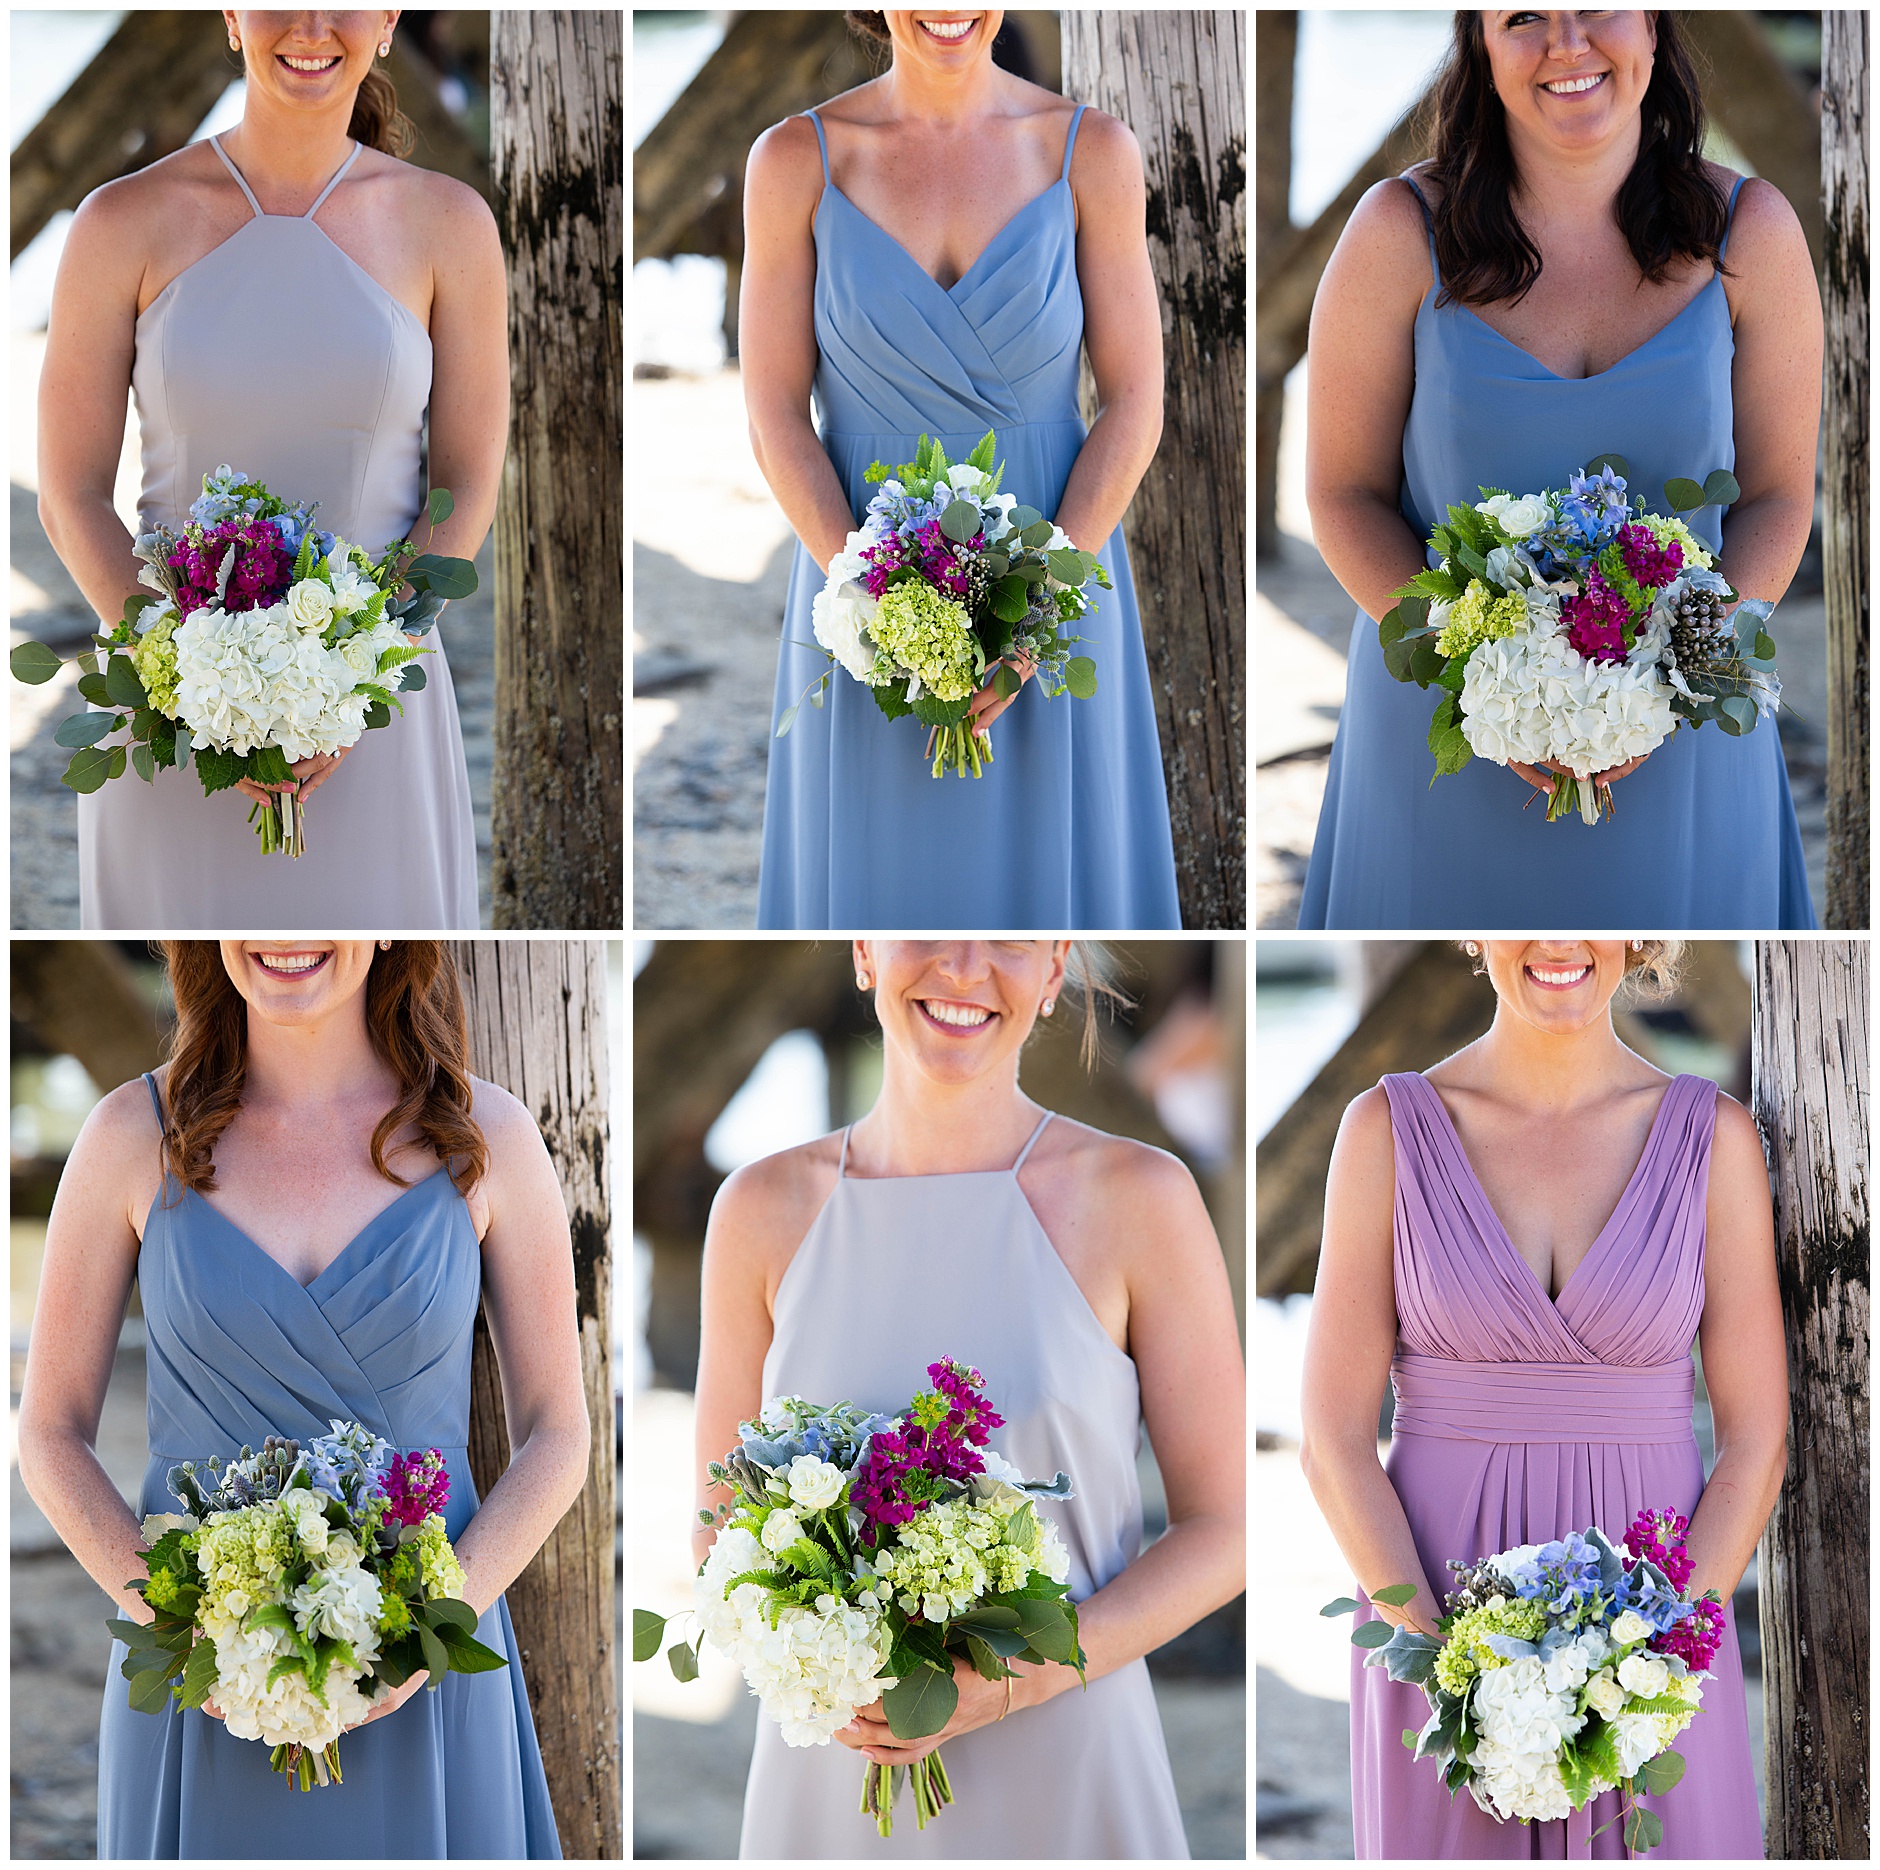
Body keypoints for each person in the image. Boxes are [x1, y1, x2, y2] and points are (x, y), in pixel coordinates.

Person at [16, 940, 591, 1857]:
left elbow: (559, 1434)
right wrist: (175, 1621)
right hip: (204, 1678)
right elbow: (46, 1433)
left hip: (427, 1667)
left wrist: (432, 1634)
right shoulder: (130, 1133)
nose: (288, 934)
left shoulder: (490, 1136)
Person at [695, 940, 1244, 1855]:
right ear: (865, 950)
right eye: (926, 926)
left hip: (1066, 1766)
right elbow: (718, 1525)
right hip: (835, 1771)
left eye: (1010, 939)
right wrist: (828, 1672)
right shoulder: (757, 1209)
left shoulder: (1142, 1197)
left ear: (1056, 963)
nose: (961, 967)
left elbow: (1225, 1531)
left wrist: (1009, 1682)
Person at [1298, 10, 1818, 928]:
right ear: (1480, 46)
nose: (1568, 43)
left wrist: (1678, 671)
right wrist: (1481, 671)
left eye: (1599, 4)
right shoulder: (1394, 235)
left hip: (1686, 735)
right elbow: (1344, 495)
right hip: (1443, 731)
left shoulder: (1754, 235)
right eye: (1525, 15)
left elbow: (1778, 497)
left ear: (1654, 27)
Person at [1302, 940, 1786, 1858]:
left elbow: (1758, 1437)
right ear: (1474, 933)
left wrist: (1662, 1659)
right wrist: (1448, 1667)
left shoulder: (1713, 1138)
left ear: (1641, 938)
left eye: (1593, 920)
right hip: (1437, 1613)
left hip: (1658, 1636)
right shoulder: (1386, 1131)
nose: (1559, 942)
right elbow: (1330, 1438)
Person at [38, 10, 506, 928]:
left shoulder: (450, 223)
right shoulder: (120, 221)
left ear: (389, 21)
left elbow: (465, 482)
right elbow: (71, 492)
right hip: (171, 715)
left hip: (379, 705)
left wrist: (361, 676)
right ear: (227, 13)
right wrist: (185, 675)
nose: (311, 24)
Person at [741, 10, 1181, 928]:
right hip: (855, 577)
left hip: (1058, 569)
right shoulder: (794, 160)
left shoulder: (1091, 151)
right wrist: (873, 600)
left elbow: (1136, 398)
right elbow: (775, 411)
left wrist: (1046, 601)